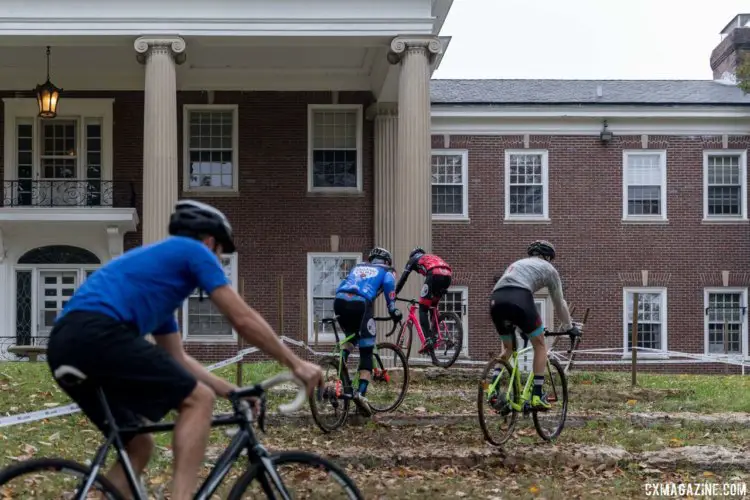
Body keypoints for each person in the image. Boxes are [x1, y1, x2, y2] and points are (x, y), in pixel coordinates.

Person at [46, 200, 324, 500]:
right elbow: (242, 319)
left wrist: (231, 390)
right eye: (220, 253)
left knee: (138, 445)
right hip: (97, 332)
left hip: (65, 344)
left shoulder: (161, 286)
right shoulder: (194, 250)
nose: (218, 261)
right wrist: (296, 363)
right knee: (198, 399)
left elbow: (177, 358)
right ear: (209, 242)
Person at [489, 240, 580, 410]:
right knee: (540, 345)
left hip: (496, 299)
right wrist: (569, 327)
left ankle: (492, 390)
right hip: (520, 297)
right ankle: (537, 395)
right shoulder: (549, 270)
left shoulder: (517, 264)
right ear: (547, 257)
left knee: (507, 349)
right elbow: (559, 304)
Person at [332, 247, 402, 416]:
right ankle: (361, 395)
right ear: (387, 261)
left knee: (352, 337)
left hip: (340, 301)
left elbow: (343, 284)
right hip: (361, 304)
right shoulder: (386, 270)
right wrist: (393, 309)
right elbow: (388, 284)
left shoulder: (358, 267)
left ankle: (339, 364)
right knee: (366, 351)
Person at [394, 247, 452, 353]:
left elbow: (404, 278)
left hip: (434, 274)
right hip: (448, 275)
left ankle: (428, 340)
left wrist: (395, 293)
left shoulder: (413, 259)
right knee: (432, 307)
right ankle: (438, 337)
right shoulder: (431, 257)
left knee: (423, 308)